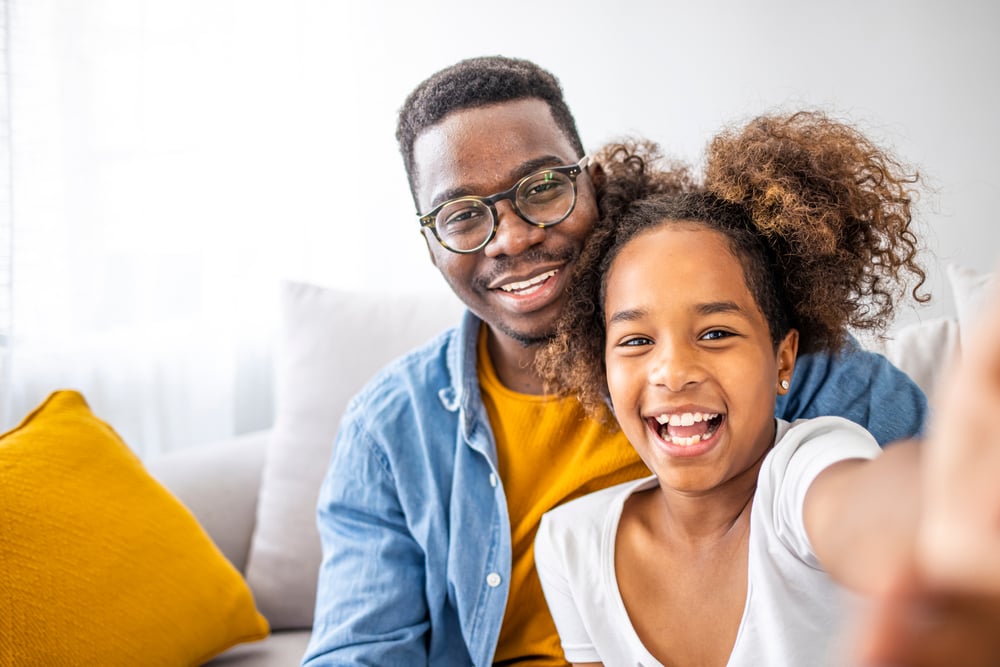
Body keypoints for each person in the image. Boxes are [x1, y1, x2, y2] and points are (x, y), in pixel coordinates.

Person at [301, 57, 928, 666]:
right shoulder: (388, 431)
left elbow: (900, 503)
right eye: (461, 215)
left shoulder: (769, 360)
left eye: (543, 187)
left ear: (591, 184)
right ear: (432, 245)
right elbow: (357, 651)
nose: (513, 237)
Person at [531, 111, 983, 665]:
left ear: (783, 359)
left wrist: (952, 510)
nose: (672, 372)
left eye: (716, 332)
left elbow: (864, 508)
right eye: (635, 340)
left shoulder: (807, 466)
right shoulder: (570, 543)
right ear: (600, 367)